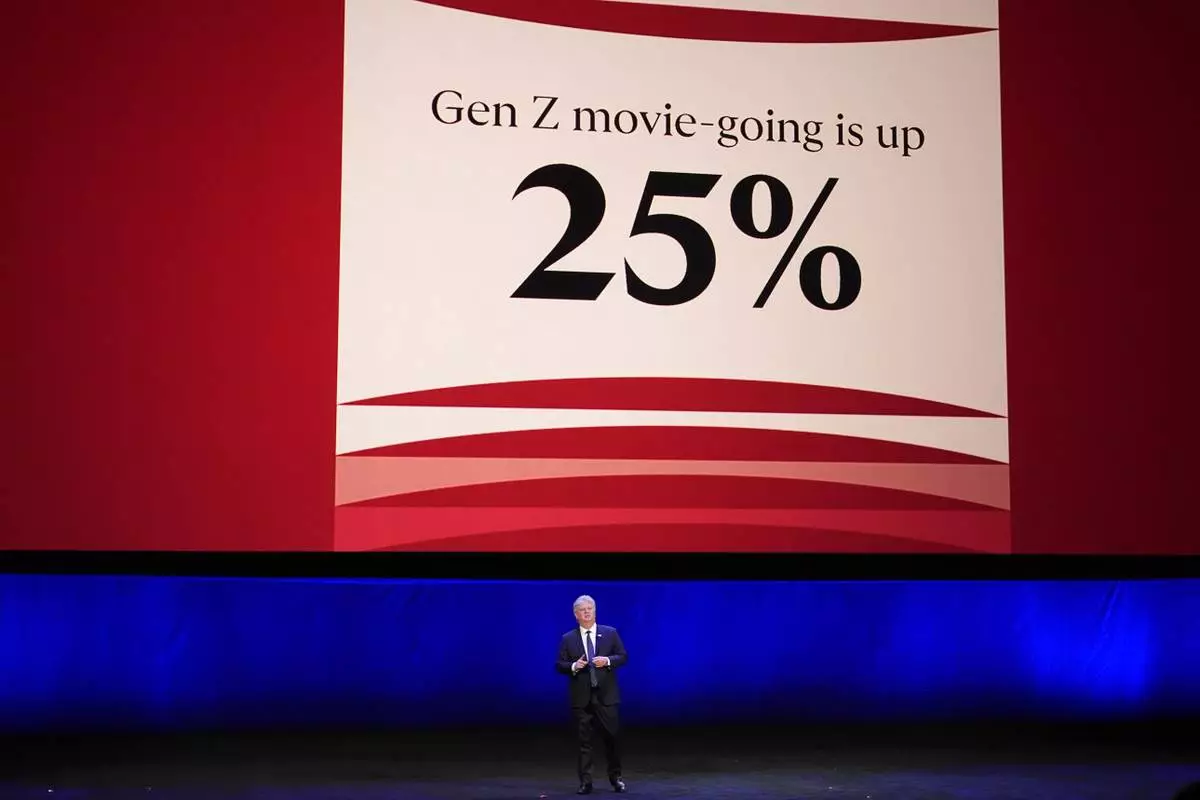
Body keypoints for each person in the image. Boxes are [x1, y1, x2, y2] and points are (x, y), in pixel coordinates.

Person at [556, 594, 628, 794]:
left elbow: (623, 656)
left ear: (595, 611)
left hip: (606, 696)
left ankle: (616, 778)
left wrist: (607, 661)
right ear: (576, 614)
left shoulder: (610, 633)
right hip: (582, 698)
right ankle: (586, 782)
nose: (587, 612)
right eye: (583, 610)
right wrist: (573, 666)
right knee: (584, 741)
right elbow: (559, 665)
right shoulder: (568, 638)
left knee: (612, 738)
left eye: (590, 608)